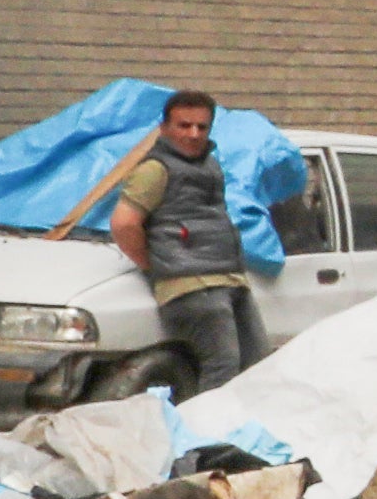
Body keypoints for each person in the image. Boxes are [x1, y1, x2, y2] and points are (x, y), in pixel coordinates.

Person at [101, 90, 269, 393]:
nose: (193, 134)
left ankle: (241, 436)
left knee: (257, 367)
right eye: (184, 125)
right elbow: (124, 223)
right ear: (165, 128)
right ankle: (207, 438)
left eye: (201, 127)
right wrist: (155, 264)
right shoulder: (155, 169)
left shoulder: (209, 165)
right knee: (222, 370)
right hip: (191, 286)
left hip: (229, 278)